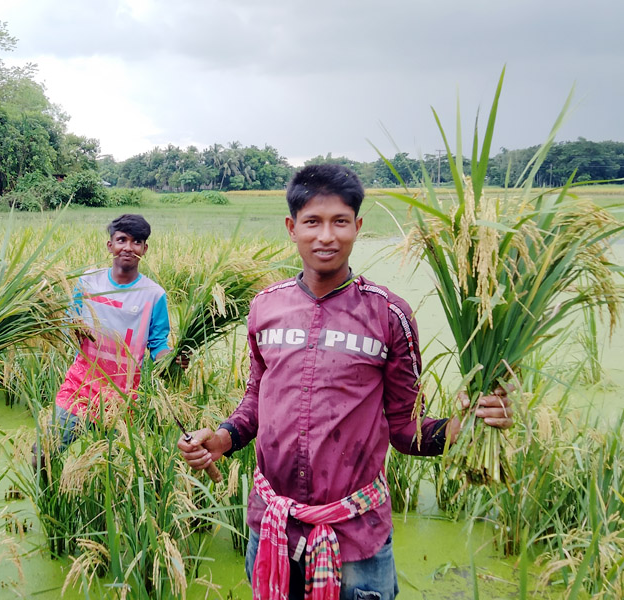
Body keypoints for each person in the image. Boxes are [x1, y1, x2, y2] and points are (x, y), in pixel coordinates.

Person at [177, 164, 513, 600]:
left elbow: (407, 429)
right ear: (291, 227)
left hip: (355, 538)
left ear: (358, 226)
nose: (326, 236)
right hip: (273, 526)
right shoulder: (265, 307)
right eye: (312, 222)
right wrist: (220, 439)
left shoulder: (389, 316)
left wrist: (463, 426)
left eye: (339, 222)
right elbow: (256, 401)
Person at [43, 214, 183, 460]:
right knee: (43, 451)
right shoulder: (88, 282)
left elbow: (158, 345)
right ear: (110, 245)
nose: (128, 247)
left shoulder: (154, 295)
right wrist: (73, 330)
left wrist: (172, 358)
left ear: (144, 249)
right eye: (122, 240)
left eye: (137, 242)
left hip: (123, 398)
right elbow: (67, 326)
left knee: (118, 469)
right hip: (80, 387)